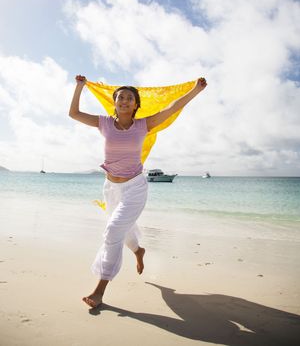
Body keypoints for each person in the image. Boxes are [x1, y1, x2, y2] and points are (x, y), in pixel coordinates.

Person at [69, 75, 207, 308]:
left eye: (129, 98)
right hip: (111, 188)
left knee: (113, 230)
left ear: (136, 105)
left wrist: (196, 90)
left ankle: (99, 291)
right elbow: (74, 113)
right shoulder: (103, 123)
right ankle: (138, 250)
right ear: (114, 103)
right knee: (122, 229)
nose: (124, 100)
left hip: (134, 188)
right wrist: (79, 87)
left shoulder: (144, 124)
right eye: (120, 97)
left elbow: (173, 107)